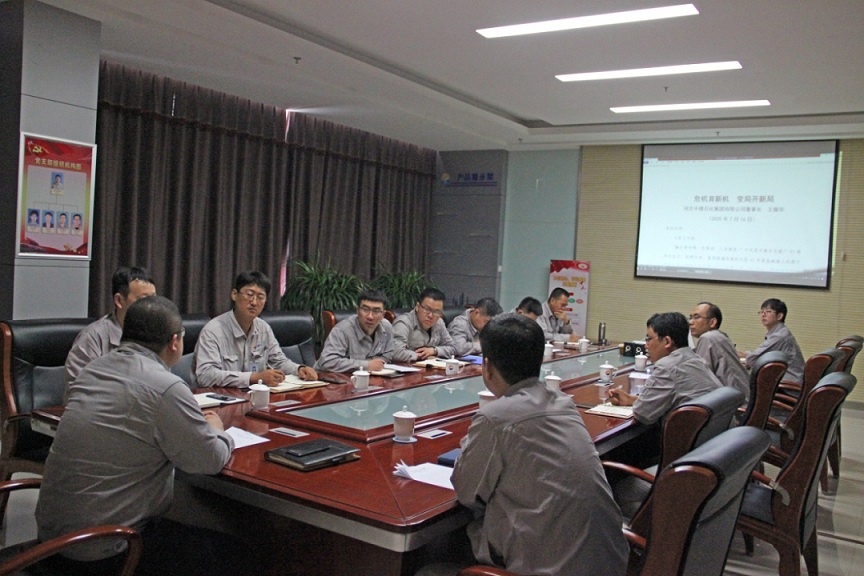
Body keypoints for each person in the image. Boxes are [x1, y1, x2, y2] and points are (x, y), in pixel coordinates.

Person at [35, 296, 244, 575]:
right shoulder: (166, 387)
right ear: (174, 342)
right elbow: (209, 460)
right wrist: (218, 431)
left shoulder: (92, 370)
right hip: (106, 551)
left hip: (51, 541)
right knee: (237, 551)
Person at [452, 314, 628, 575]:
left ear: (486, 366)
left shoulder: (495, 418)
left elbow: (467, 493)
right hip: (609, 562)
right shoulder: (563, 403)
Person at [193, 270, 317, 387]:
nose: (254, 302)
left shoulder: (263, 328)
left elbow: (278, 362)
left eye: (260, 297)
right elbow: (205, 375)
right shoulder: (213, 330)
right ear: (234, 294)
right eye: (249, 295)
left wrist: (299, 369)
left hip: (256, 396)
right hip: (222, 398)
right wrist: (254, 377)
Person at [608, 312, 722, 425]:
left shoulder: (667, 367)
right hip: (714, 432)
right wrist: (631, 400)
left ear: (667, 341)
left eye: (648, 339)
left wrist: (638, 404)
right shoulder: (695, 359)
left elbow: (642, 414)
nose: (646, 345)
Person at [65, 266, 156, 388]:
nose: (151, 306)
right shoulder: (93, 337)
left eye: (154, 299)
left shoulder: (156, 333)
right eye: (143, 300)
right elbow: (78, 390)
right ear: (119, 300)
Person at [314, 289, 395, 372]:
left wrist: (374, 365)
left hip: (368, 377)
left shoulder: (386, 327)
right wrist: (366, 365)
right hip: (329, 377)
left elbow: (388, 356)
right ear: (357, 310)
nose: (370, 316)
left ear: (383, 314)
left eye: (376, 311)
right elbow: (328, 362)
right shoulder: (342, 330)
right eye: (365, 309)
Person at [689, 301, 750, 402]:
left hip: (733, 404)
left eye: (696, 317)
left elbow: (700, 379)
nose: (690, 322)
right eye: (690, 317)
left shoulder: (708, 338)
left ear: (712, 322)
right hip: (740, 397)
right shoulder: (719, 336)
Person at [744, 298, 806, 383]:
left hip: (789, 383)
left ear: (779, 316)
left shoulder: (780, 336)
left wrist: (742, 356)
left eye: (768, 311)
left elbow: (753, 359)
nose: (763, 315)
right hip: (784, 378)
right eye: (761, 312)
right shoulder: (780, 332)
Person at [391, 287, 457, 362]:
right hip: (406, 367)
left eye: (437, 312)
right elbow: (396, 352)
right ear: (417, 306)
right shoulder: (404, 323)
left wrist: (434, 351)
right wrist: (419, 355)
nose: (430, 316)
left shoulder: (439, 322)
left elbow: (453, 348)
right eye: (427, 309)